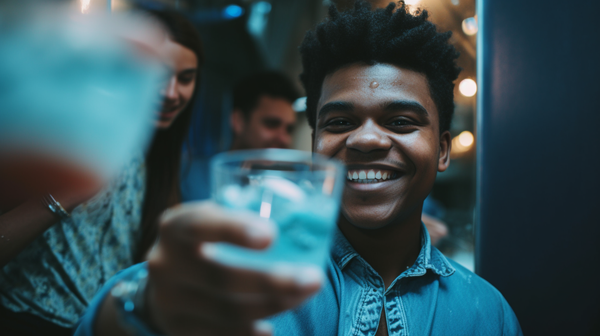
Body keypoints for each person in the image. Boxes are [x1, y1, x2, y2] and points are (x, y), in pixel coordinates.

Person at [74, 2, 522, 336]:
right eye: (340, 122)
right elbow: (117, 312)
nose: (365, 140)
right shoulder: (251, 274)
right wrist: (141, 306)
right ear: (314, 147)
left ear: (442, 150)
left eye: (400, 121)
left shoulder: (489, 315)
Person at [0, 8, 204, 335]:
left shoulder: (155, 155)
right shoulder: (66, 126)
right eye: (158, 72)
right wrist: (62, 197)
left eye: (185, 78)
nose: (171, 92)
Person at [181, 71, 299, 201]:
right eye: (271, 124)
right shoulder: (189, 176)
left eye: (289, 129)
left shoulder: (290, 188)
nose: (284, 138)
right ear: (238, 121)